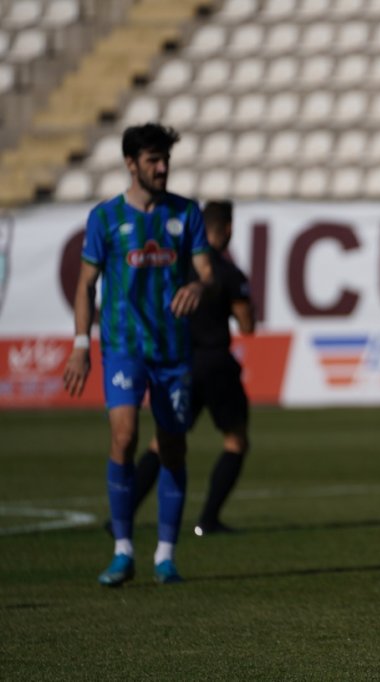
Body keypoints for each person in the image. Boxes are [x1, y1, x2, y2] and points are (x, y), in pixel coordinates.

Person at [63, 123, 213, 586]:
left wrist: (196, 284)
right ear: (131, 163)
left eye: (165, 159)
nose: (162, 167)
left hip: (173, 351)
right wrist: (81, 345)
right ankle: (122, 549)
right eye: (153, 159)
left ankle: (165, 555)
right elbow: (86, 284)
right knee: (124, 436)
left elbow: (208, 272)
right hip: (124, 347)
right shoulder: (104, 219)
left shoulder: (186, 214)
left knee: (172, 446)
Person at [120, 200, 255, 537]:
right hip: (216, 365)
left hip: (179, 365)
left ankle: (121, 516)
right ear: (228, 229)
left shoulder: (178, 268)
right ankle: (208, 519)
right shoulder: (228, 274)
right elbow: (248, 325)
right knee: (235, 440)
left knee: (161, 442)